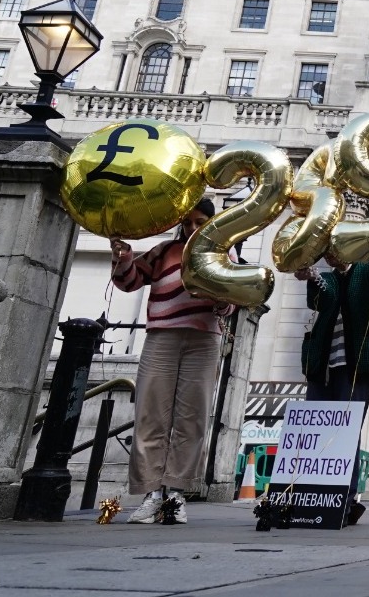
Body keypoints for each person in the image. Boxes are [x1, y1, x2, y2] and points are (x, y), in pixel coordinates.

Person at [110, 199, 227, 524]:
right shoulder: (164, 251)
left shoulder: (221, 254)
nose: (191, 228)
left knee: (193, 416)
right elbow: (129, 281)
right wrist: (123, 257)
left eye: (199, 221)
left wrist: (220, 301)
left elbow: (231, 303)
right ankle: (151, 494)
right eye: (187, 222)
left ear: (209, 223)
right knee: (150, 413)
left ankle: (176, 493)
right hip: (162, 336)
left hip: (204, 339)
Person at [297, 247, 369, 524]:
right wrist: (310, 277)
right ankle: (309, 493)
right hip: (322, 367)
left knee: (346, 431)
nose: (330, 257)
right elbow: (318, 302)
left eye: (334, 251)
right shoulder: (327, 279)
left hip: (356, 365)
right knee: (314, 429)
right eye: (326, 253)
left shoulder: (365, 271)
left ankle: (346, 496)